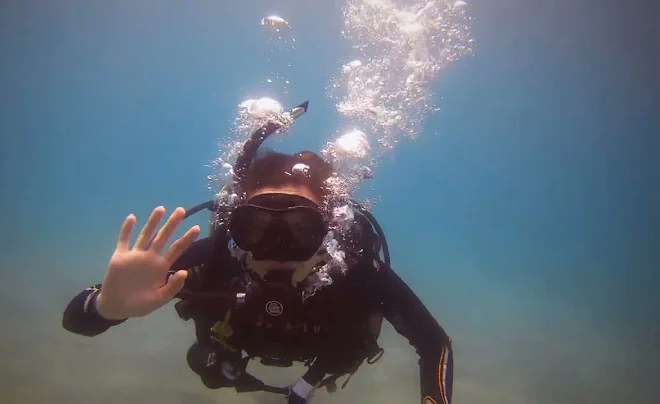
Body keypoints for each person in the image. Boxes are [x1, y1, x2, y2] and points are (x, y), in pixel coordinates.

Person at [62, 101, 453, 404]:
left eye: (301, 229)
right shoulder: (214, 259)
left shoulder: (357, 272)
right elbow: (77, 321)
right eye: (256, 228)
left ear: (328, 230)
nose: (277, 249)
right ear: (235, 225)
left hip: (327, 360)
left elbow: (434, 342)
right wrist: (104, 306)